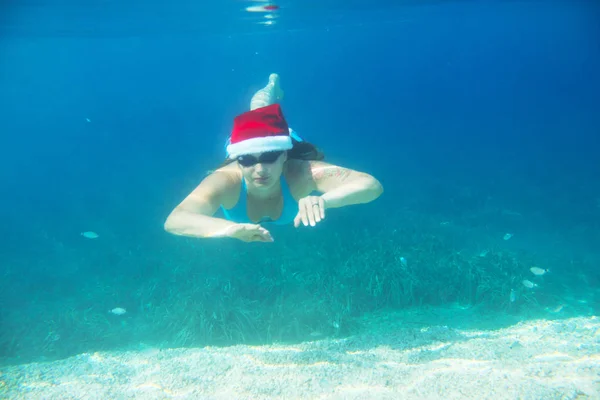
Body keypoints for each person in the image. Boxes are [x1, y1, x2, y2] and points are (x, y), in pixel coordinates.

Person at [164, 74, 383, 243]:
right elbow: (175, 220)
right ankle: (270, 88)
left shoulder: (302, 172)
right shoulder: (225, 180)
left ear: (284, 155)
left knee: (261, 108)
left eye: (269, 157)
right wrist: (228, 229)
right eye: (247, 160)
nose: (259, 169)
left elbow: (371, 185)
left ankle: (272, 85)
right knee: (257, 111)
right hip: (245, 139)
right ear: (238, 159)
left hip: (275, 134)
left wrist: (324, 200)